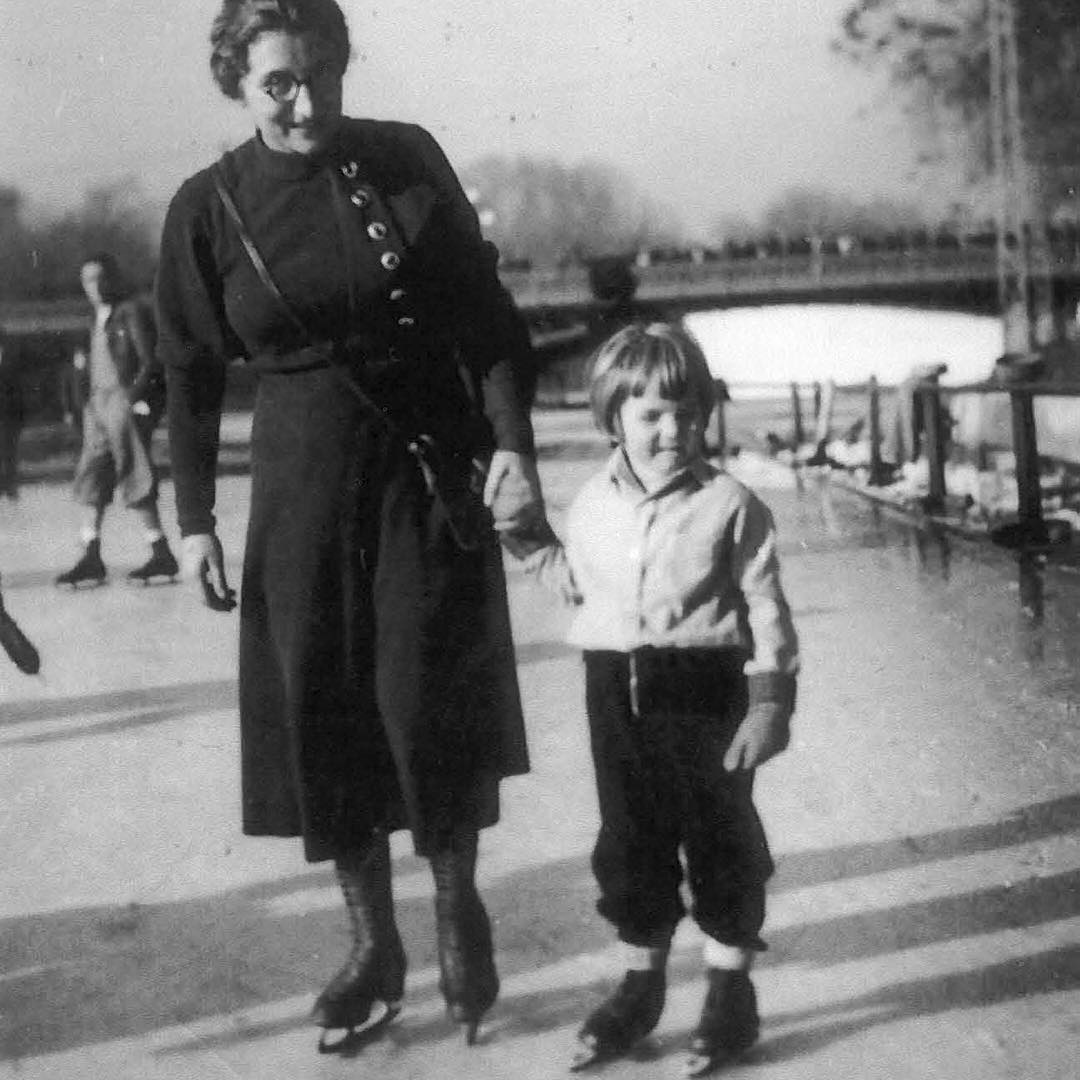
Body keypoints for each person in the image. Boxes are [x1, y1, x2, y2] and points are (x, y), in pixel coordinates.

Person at [155, 0, 544, 1053]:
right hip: (299, 492)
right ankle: (373, 943)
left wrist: (513, 446)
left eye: (323, 72)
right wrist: (191, 519)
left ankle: (458, 908)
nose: (307, 98)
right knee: (325, 709)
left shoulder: (406, 159)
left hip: (421, 473)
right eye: (280, 80)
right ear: (237, 81)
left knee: (424, 699)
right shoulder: (209, 206)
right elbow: (188, 378)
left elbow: (484, 317)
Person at [519, 323, 799, 1075]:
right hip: (614, 688)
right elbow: (570, 575)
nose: (672, 429)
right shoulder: (591, 504)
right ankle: (640, 985)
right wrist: (521, 535)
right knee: (630, 840)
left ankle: (728, 991)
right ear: (614, 420)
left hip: (707, 689)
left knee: (721, 837)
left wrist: (770, 701)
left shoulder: (732, 503)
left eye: (687, 411)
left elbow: (766, 608)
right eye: (651, 415)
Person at [55, 253, 179, 587]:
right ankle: (91, 553)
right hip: (97, 407)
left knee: (134, 473)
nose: (94, 287)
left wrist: (132, 399)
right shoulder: (95, 317)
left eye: (100, 278)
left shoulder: (131, 312)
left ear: (113, 279)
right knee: (91, 477)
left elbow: (151, 362)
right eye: (88, 280)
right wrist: (85, 405)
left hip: (121, 405)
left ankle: (160, 551)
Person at [0, 333, 24, 499]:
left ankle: (11, 488)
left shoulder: (11, 363)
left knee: (9, 453)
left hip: (8, 417)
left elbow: (18, 392)